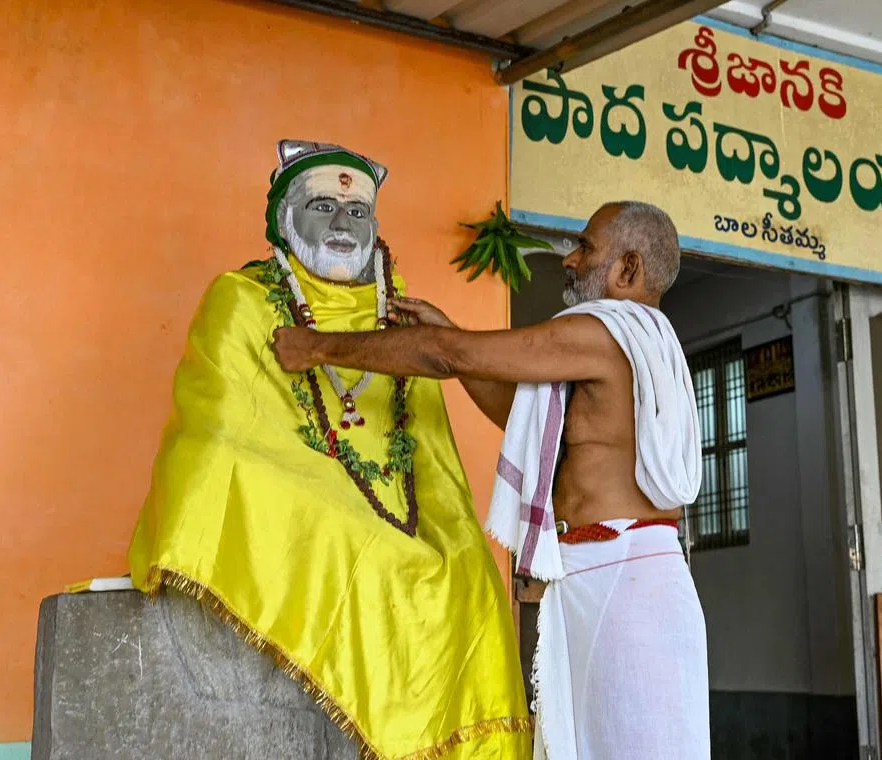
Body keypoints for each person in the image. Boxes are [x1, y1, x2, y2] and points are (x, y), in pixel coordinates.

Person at [129, 140, 532, 759]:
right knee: (209, 466)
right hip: (297, 489)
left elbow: (430, 453)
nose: (344, 224)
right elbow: (218, 424)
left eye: (358, 211)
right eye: (324, 206)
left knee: (469, 562)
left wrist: (435, 339)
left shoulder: (397, 310)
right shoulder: (241, 298)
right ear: (286, 221)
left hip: (392, 503)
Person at [272, 201, 711, 759]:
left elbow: (445, 357)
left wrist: (317, 347)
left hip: (623, 584)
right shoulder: (646, 343)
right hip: (615, 573)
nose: (570, 261)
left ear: (628, 270)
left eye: (585, 247)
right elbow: (525, 425)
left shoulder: (602, 333)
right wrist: (452, 338)